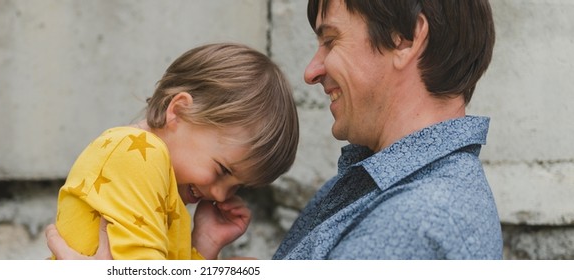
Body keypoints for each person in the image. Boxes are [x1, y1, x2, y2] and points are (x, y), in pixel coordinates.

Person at [46, 0, 503, 260]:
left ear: (406, 39)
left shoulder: (417, 221)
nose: (310, 70)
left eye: (330, 39)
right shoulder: (388, 190)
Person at [49, 42, 299, 260]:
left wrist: (205, 244)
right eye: (222, 170)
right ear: (179, 111)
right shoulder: (136, 154)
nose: (222, 196)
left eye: (238, 186)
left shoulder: (156, 175)